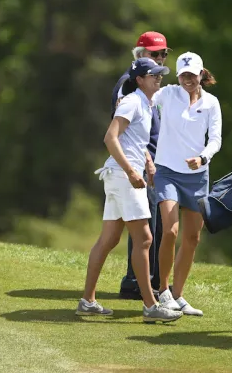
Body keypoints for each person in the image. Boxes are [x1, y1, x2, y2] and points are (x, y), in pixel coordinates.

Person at [78, 58, 182, 323]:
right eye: (153, 75)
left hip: (118, 175)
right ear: (139, 80)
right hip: (123, 176)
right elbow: (110, 138)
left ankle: (87, 301)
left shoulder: (146, 104)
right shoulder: (133, 101)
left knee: (110, 239)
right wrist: (132, 171)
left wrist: (147, 161)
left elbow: (132, 139)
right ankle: (150, 305)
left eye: (160, 75)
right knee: (145, 238)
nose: (159, 78)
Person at [153, 52, 222, 317]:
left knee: (192, 237)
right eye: (183, 75)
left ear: (201, 74)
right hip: (167, 171)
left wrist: (203, 157)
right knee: (170, 231)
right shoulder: (168, 94)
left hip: (197, 175)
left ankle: (179, 294)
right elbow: (146, 96)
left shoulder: (211, 102)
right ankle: (164, 291)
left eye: (192, 75)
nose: (187, 80)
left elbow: (215, 138)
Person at [112, 31, 168, 300]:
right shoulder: (130, 86)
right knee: (144, 231)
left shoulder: (150, 88)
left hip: (147, 164)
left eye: (163, 54)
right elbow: (123, 132)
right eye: (154, 54)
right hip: (135, 167)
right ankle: (141, 285)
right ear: (140, 55)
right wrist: (142, 164)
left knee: (143, 229)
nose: (159, 59)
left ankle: (141, 283)